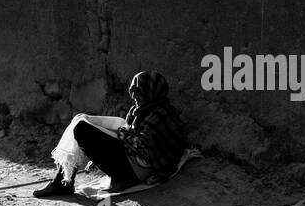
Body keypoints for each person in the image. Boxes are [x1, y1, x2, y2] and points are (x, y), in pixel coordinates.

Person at [33, 70, 188, 197]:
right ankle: (63, 181)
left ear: (152, 92)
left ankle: (63, 183)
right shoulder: (139, 111)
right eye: (132, 90)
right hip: (131, 164)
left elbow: (148, 149)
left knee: (82, 129)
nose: (134, 95)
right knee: (80, 121)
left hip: (135, 172)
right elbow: (132, 139)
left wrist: (119, 134)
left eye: (139, 90)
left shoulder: (162, 115)